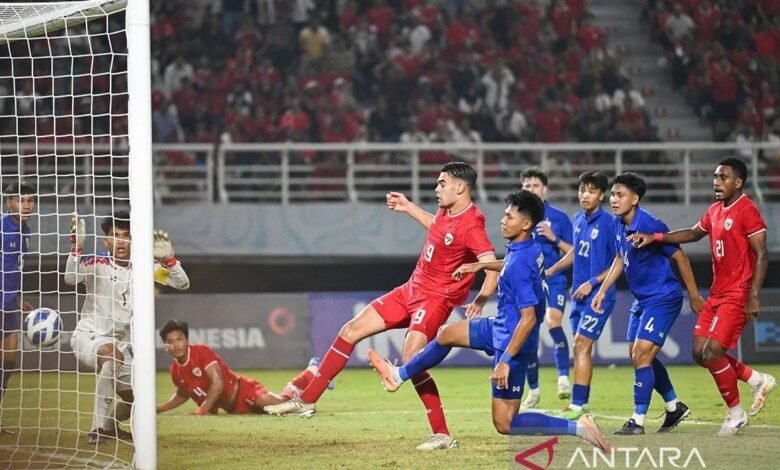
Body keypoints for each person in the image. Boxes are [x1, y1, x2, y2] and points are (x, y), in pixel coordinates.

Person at [265, 162, 498, 451]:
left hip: (435, 298)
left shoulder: (473, 223)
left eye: (441, 183)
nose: (436, 189)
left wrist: (481, 299)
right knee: (350, 330)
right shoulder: (445, 211)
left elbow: (491, 264)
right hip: (410, 289)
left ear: (460, 187)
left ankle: (442, 434)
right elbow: (438, 228)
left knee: (412, 358)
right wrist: (408, 207)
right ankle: (308, 399)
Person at [366, 190, 610, 451]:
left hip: (513, 343)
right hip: (499, 327)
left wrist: (505, 361)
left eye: (509, 216)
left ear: (526, 224)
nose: (502, 220)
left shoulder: (520, 264)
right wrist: (481, 266)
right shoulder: (529, 248)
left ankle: (579, 427)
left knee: (505, 423)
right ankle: (398, 375)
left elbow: (528, 318)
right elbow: (512, 263)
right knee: (447, 333)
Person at [629, 157, 776, 436]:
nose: (716, 182)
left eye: (723, 177)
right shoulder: (714, 210)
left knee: (713, 351)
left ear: (738, 182)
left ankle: (735, 413)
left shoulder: (748, 210)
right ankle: (755, 379)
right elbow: (693, 234)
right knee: (699, 353)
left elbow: (762, 255)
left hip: (738, 292)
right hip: (717, 292)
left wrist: (753, 296)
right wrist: (656, 237)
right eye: (715, 177)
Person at [591, 172, 703, 435]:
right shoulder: (619, 224)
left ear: (635, 198)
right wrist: (602, 289)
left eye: (620, 195)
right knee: (639, 355)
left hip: (663, 297)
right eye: (613, 194)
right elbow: (620, 258)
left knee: (642, 353)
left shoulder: (651, 224)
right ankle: (674, 407)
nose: (613, 200)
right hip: (642, 299)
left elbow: (681, 258)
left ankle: (637, 421)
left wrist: (695, 295)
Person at [66, 211, 191, 444]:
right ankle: (98, 428)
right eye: (115, 236)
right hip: (89, 336)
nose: (121, 241)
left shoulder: (144, 267)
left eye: (127, 236)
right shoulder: (97, 263)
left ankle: (111, 427)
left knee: (139, 400)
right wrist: (77, 248)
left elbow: (182, 283)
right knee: (112, 357)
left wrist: (170, 260)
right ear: (107, 240)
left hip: (122, 345)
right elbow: (70, 278)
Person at [545, 171, 616, 420]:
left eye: (591, 191)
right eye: (582, 190)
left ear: (601, 195)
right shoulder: (577, 219)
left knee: (580, 345)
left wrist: (592, 283)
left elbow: (620, 262)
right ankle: (581, 403)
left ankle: (577, 405)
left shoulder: (609, 223)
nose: (585, 195)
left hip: (599, 296)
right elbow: (576, 252)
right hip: (578, 296)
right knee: (581, 349)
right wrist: (553, 268)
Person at [157, 320, 329, 415]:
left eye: (179, 339)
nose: (176, 345)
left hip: (244, 391)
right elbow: (182, 394)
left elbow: (218, 383)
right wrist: (158, 409)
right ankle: (307, 375)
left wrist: (202, 411)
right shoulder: (175, 370)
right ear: (165, 346)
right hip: (234, 409)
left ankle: (309, 374)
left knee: (283, 406)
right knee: (276, 409)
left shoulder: (200, 352)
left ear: (187, 339)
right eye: (170, 342)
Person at [519, 167, 574, 408]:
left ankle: (563, 377)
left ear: (545, 189)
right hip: (528, 281)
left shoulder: (559, 217)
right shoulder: (517, 215)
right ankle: (534, 390)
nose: (531, 189)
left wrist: (553, 237)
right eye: (527, 186)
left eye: (536, 186)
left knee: (553, 321)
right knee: (529, 332)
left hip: (554, 279)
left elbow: (574, 251)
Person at [0, 181, 36, 434]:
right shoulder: (2, 226)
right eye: (21, 200)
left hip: (9, 302)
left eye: (30, 200)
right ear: (9, 203)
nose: (26, 205)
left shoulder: (26, 230)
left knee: (9, 361)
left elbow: (13, 267)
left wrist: (17, 296)